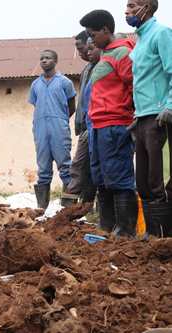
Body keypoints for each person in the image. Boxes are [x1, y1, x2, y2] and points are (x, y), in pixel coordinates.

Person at [80, 9, 137, 237]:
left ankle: (125, 232)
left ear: (105, 29)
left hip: (115, 124)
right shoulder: (105, 54)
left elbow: (134, 85)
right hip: (98, 125)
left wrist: (132, 117)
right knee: (101, 176)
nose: (91, 41)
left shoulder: (122, 52)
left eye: (93, 35)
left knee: (119, 177)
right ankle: (106, 227)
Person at [125, 0, 172, 237]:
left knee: (157, 180)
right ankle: (151, 235)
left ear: (148, 8)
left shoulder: (161, 33)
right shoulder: (140, 40)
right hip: (143, 117)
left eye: (132, 6)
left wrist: (170, 105)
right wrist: (137, 114)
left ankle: (162, 239)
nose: (127, 11)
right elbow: (142, 81)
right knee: (141, 181)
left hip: (159, 116)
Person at [29, 50, 76, 209]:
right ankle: (41, 208)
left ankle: (69, 208)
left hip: (59, 128)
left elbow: (71, 106)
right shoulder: (35, 84)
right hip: (40, 129)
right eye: (41, 58)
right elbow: (37, 105)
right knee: (43, 169)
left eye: (48, 58)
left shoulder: (65, 82)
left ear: (55, 61)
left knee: (65, 166)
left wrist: (59, 119)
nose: (44, 61)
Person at [61, 32, 98, 207]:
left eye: (80, 47)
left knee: (78, 166)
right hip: (86, 126)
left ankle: (68, 208)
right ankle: (86, 207)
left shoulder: (100, 67)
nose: (82, 52)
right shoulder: (87, 70)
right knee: (89, 169)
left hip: (95, 125)